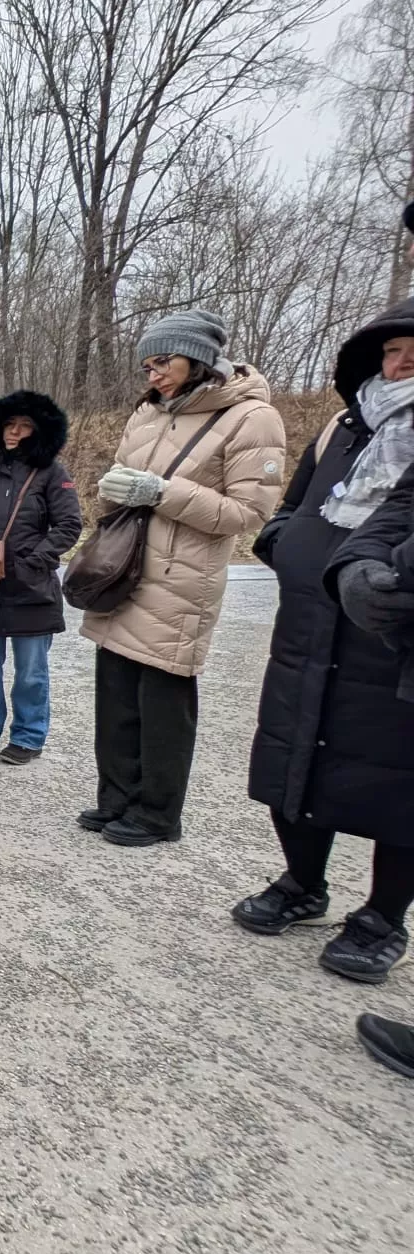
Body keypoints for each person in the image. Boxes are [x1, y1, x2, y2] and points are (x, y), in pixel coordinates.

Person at [234, 303, 414, 981]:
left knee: (397, 779)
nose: (403, 362)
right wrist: (286, 549)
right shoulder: (344, 427)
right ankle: (302, 882)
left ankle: (381, 918)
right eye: (392, 350)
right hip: (309, 617)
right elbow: (290, 507)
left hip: (390, 627)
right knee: (295, 755)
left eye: (413, 350)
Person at [79, 310, 286, 847]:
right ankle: (117, 799)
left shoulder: (251, 418)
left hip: (181, 578)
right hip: (124, 570)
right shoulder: (146, 414)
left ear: (198, 358)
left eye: (163, 361)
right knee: (116, 696)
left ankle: (158, 814)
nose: (152, 374)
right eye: (147, 364)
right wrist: (117, 489)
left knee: (163, 704)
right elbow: (122, 485)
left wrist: (159, 493)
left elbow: (247, 514)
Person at [0, 390, 83, 763]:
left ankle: (28, 735)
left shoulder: (52, 474)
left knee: (30, 671)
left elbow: (69, 525)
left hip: (32, 589)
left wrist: (34, 561)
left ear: (40, 432)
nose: (14, 432)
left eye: (25, 426)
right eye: (10, 424)